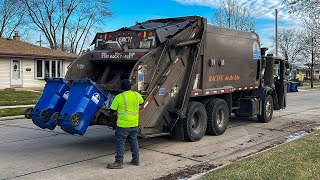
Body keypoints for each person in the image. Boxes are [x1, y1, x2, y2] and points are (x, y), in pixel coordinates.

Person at [107, 79, 144, 169]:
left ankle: (119, 162)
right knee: (134, 142)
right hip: (134, 124)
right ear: (130, 87)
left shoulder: (119, 97)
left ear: (122, 88)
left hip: (123, 125)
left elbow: (112, 110)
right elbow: (142, 103)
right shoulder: (136, 95)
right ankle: (136, 160)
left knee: (120, 143)